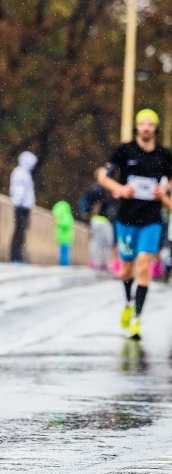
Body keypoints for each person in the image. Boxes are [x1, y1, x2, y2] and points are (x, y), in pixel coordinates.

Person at [96, 108, 172, 340]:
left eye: (150, 124)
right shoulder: (124, 150)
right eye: (143, 124)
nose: (146, 127)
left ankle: (137, 319)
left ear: (155, 128)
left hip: (151, 219)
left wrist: (165, 190)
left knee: (143, 266)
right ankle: (129, 302)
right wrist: (119, 189)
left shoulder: (164, 155)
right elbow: (102, 175)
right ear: (137, 127)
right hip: (126, 218)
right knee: (127, 268)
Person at [79, 172, 117, 271]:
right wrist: (87, 212)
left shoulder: (110, 189)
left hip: (107, 220)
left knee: (107, 242)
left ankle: (103, 263)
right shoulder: (97, 188)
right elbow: (86, 202)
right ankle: (95, 262)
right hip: (98, 218)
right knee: (98, 242)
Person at [9, 151, 38, 263]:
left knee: (21, 233)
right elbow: (20, 191)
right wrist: (24, 204)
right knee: (19, 232)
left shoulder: (24, 173)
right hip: (21, 207)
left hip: (24, 206)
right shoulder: (21, 173)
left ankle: (18, 256)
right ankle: (16, 257)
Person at [51, 200, 74, 266]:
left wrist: (59, 222)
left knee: (65, 252)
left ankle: (65, 264)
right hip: (63, 238)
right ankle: (63, 263)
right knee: (62, 252)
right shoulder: (67, 216)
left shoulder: (65, 217)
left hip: (66, 239)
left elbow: (66, 224)